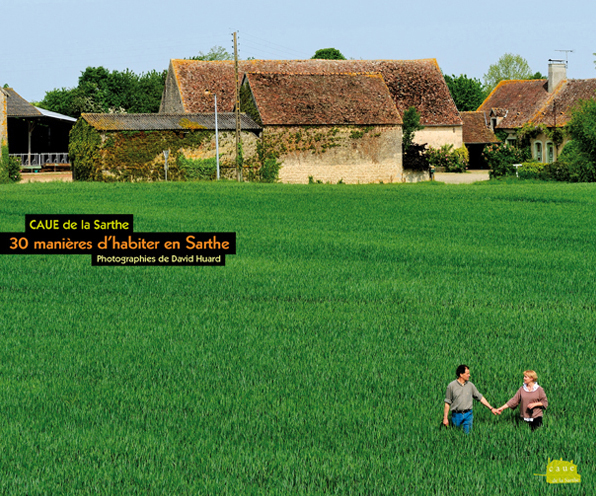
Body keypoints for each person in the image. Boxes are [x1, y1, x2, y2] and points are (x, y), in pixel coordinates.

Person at [443, 364, 498, 433]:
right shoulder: (451, 386)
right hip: (456, 416)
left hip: (468, 415)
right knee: (456, 435)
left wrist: (491, 408)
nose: (469, 375)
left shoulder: (470, 385)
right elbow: (447, 403)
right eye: (467, 373)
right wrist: (445, 418)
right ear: (461, 375)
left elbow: (480, 397)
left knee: (467, 436)